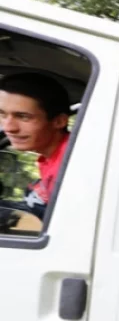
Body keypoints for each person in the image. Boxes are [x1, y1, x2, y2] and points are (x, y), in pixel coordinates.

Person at [0, 72, 72, 219]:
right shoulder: (50, 157)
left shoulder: (71, 163)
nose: (8, 127)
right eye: (2, 114)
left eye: (23, 117)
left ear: (59, 121)